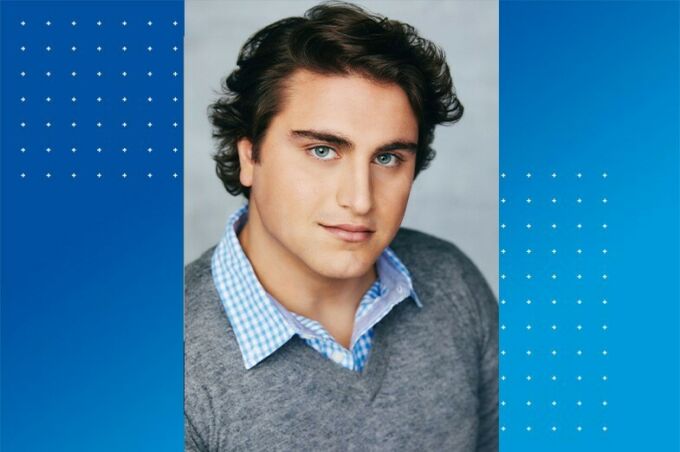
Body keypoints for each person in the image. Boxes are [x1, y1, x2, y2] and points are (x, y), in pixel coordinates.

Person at [185, 2, 498, 451]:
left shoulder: (451, 282)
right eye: (322, 151)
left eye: (387, 158)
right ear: (249, 156)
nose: (360, 198)